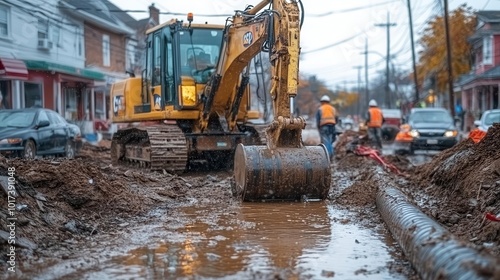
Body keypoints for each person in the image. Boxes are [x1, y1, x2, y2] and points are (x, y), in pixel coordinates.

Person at [316, 95, 337, 161]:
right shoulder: (333, 109)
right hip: (332, 126)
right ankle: (332, 156)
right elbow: (336, 118)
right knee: (330, 141)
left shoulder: (320, 109)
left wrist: (318, 128)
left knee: (326, 142)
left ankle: (328, 157)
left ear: (322, 102)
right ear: (328, 102)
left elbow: (318, 120)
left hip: (324, 126)